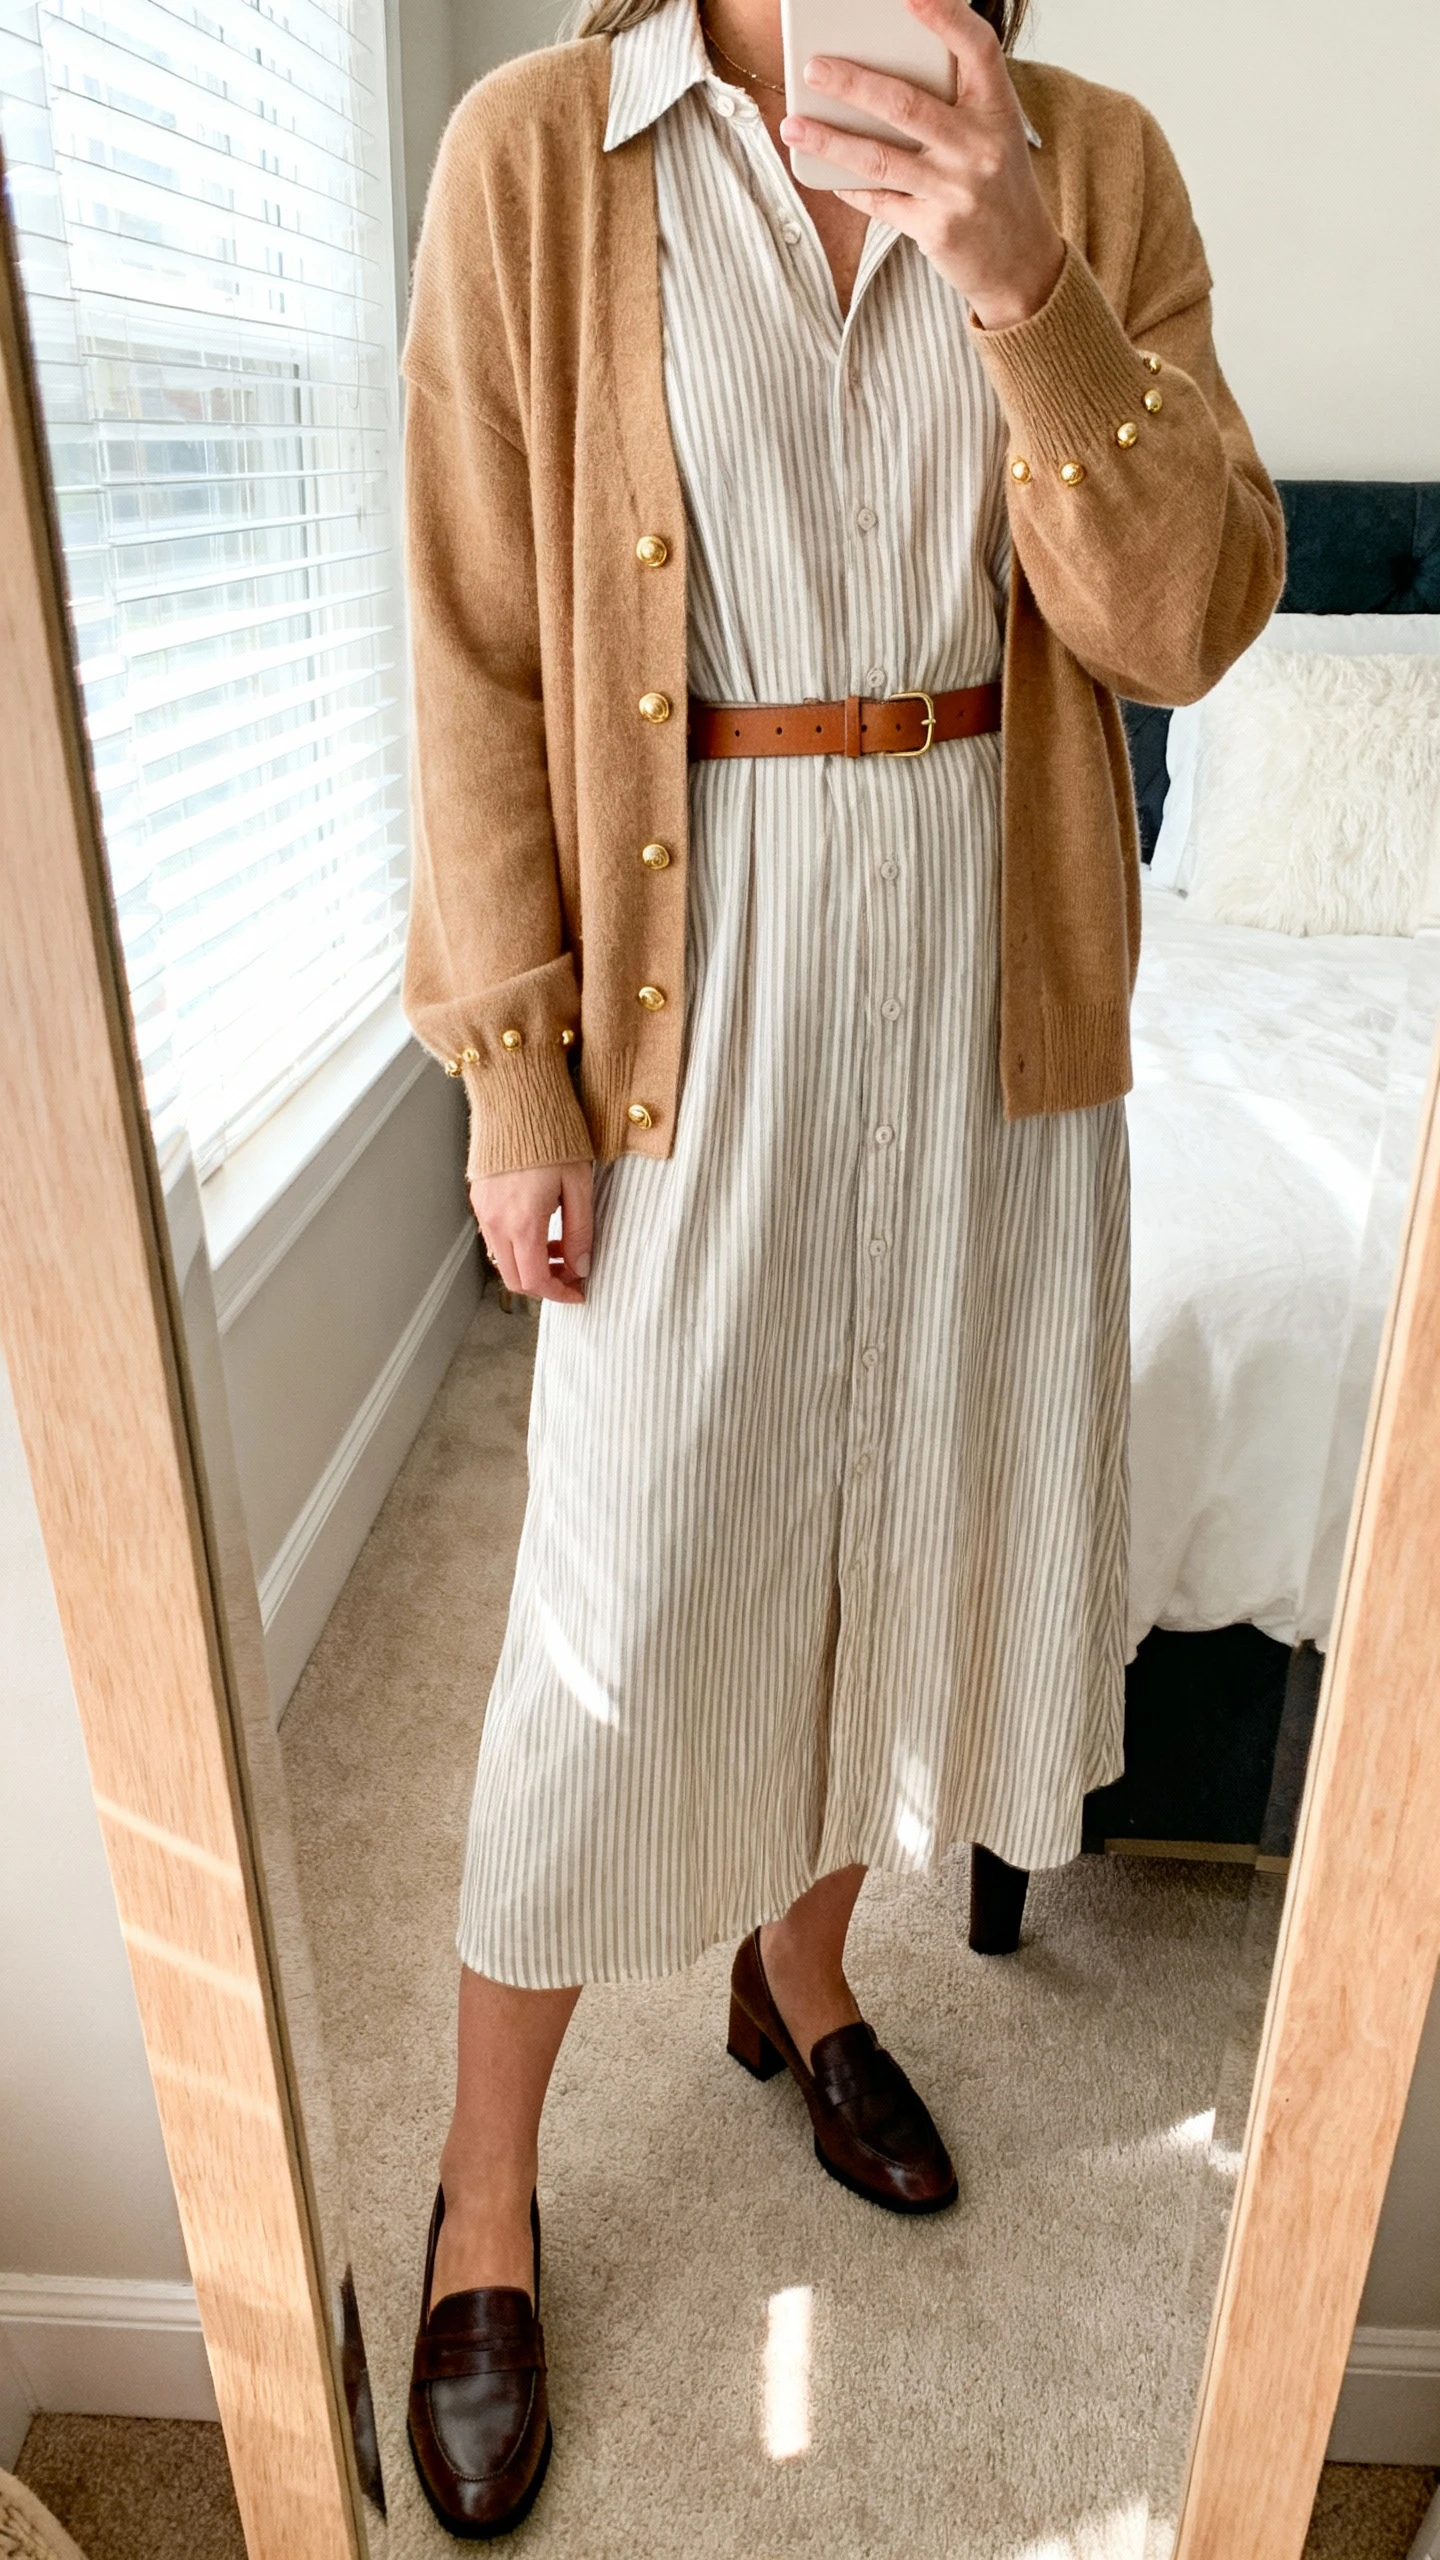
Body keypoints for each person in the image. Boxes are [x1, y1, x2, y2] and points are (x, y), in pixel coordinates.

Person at [398, 0, 1283, 2528]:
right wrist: (516, 1065)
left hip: (995, 1012)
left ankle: (802, 1976)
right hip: (701, 1014)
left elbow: (1192, 619)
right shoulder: (539, 153)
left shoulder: (1090, 160)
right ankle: (482, 2186)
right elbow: (478, 642)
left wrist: (1025, 283)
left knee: (899, 1532)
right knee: (617, 1610)